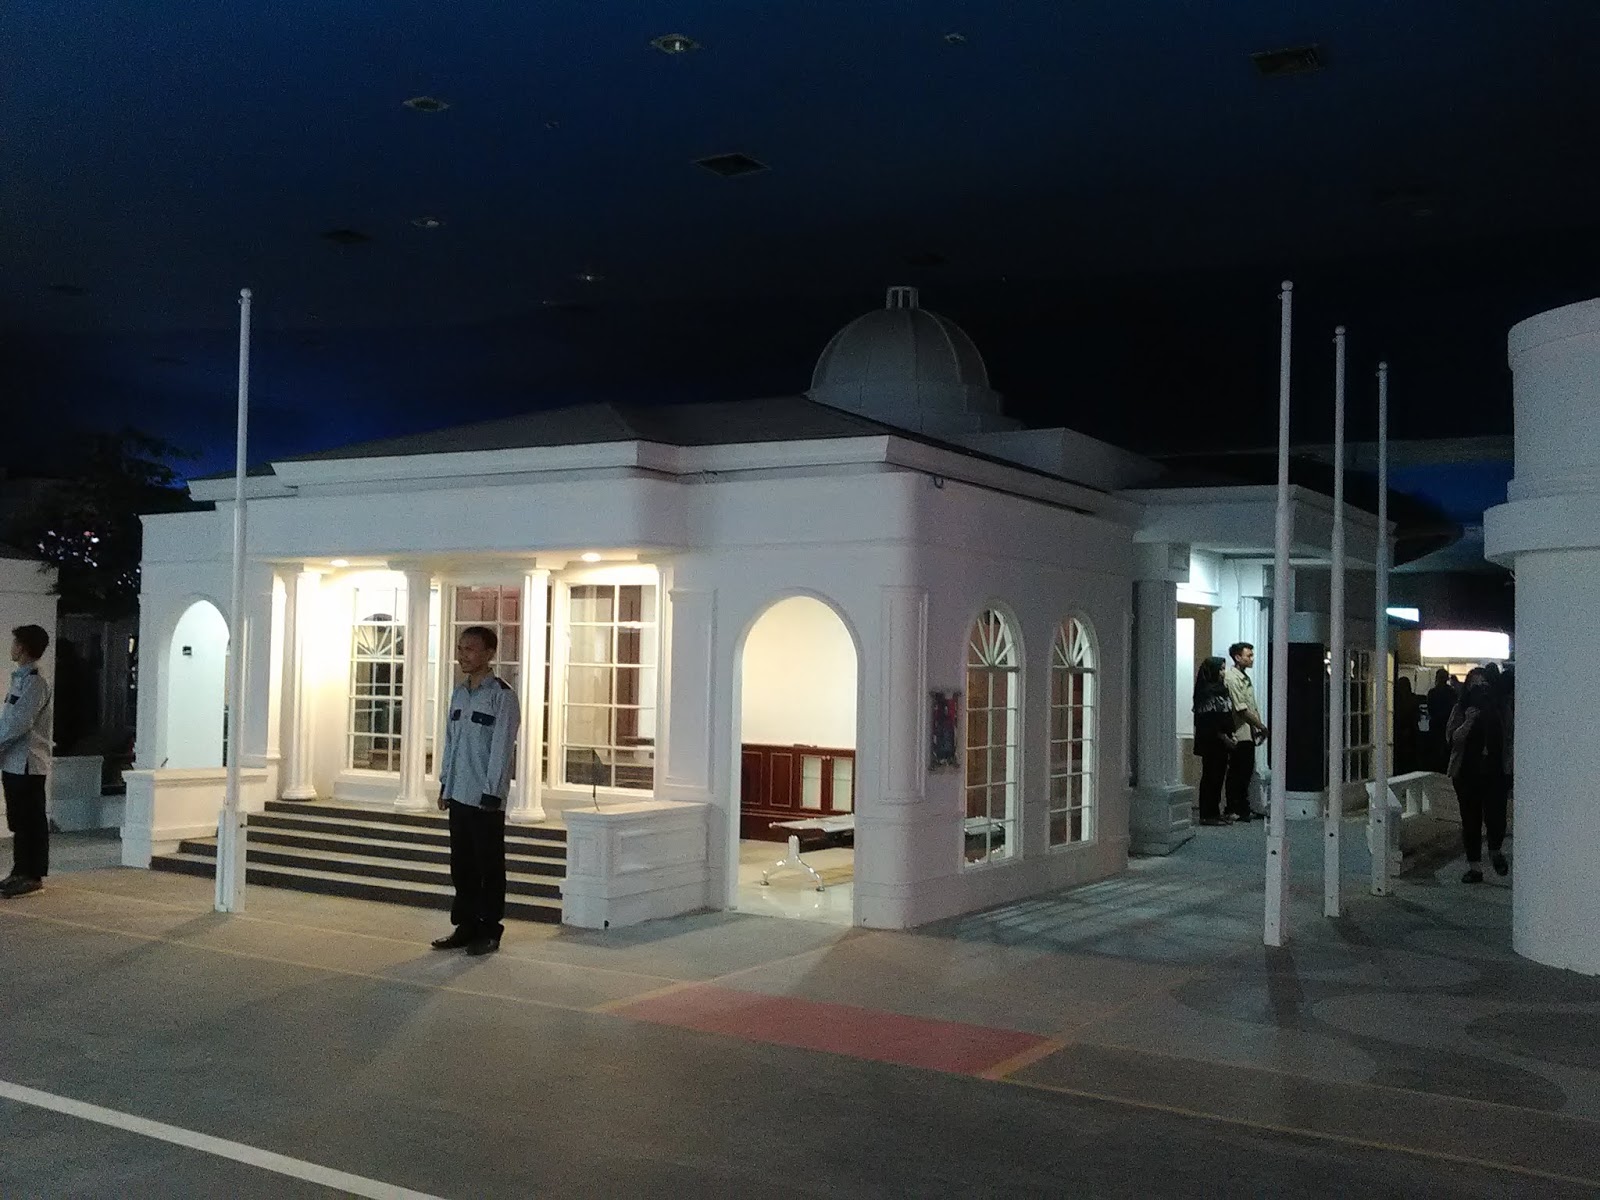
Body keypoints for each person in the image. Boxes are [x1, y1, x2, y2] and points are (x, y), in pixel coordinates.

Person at [431, 625, 521, 955]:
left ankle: (489, 928)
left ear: (489, 654)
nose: (462, 655)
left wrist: (492, 793)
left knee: (488, 865)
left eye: (469, 649)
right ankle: (465, 925)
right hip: (459, 792)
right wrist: (445, 783)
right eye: (460, 648)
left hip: (485, 797)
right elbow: (451, 743)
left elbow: (502, 749)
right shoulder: (459, 693)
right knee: (462, 865)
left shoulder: (502, 695)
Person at [1, 625, 54, 899]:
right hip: (13, 762)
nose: (11, 647)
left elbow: (20, 722)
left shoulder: (36, 681)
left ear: (22, 647)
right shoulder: (21, 679)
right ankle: (19, 870)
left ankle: (32, 875)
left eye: (14, 642)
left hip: (28, 763)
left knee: (31, 820)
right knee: (18, 820)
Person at [1447, 675, 1507, 884]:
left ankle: (1495, 850)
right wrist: (1468, 721)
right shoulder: (1461, 708)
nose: (1481, 690)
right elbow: (1452, 738)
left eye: (1484, 684)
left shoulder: (1500, 708)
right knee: (1470, 821)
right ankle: (1475, 867)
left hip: (1495, 772)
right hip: (1467, 773)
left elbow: (1510, 737)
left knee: (1496, 818)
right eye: (1475, 685)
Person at [1222, 642, 1269, 821]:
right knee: (1237, 771)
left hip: (1247, 731)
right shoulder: (1232, 679)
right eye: (1248, 655)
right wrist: (1261, 726)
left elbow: (1251, 706)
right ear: (1237, 657)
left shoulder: (1244, 678)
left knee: (1245, 771)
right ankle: (1233, 807)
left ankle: (1242, 807)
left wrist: (1257, 726)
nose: (1252, 659)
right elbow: (1241, 709)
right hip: (1238, 731)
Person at [1191, 656, 1234, 826]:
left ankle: (1215, 811)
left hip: (1223, 742)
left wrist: (1231, 735)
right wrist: (1224, 737)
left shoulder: (1222, 689)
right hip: (1212, 742)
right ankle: (1207, 814)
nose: (1223, 672)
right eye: (1221, 669)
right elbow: (1208, 721)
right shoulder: (1206, 692)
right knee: (1211, 776)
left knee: (1219, 776)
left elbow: (1226, 714)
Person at [1425, 669, 1457, 771]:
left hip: (1435, 724)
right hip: (1448, 724)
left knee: (1435, 749)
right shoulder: (1452, 692)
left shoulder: (1432, 693)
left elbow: (1430, 709)